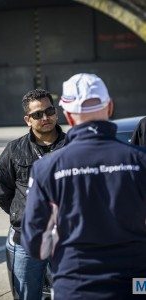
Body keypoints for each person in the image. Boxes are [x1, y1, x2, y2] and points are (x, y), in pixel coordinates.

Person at [21, 73, 146, 300]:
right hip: (137, 285)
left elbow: (36, 245)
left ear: (68, 116)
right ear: (109, 107)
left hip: (75, 286)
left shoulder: (46, 168)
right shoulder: (140, 161)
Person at [0, 89, 65, 299]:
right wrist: (24, 214)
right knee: (27, 295)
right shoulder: (14, 150)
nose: (45, 117)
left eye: (49, 111)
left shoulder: (73, 146)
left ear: (56, 112)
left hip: (67, 240)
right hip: (26, 241)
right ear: (28, 119)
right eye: (37, 114)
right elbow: (2, 191)